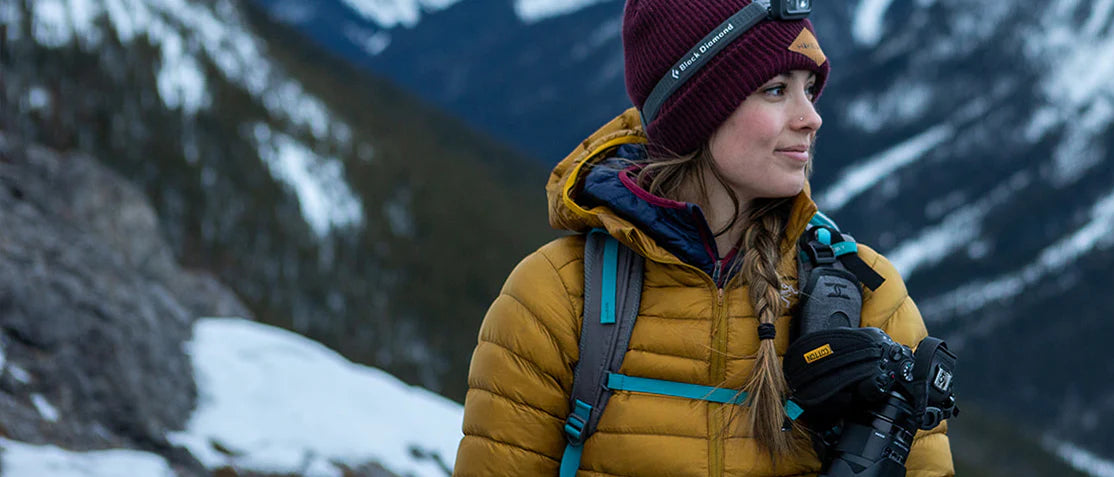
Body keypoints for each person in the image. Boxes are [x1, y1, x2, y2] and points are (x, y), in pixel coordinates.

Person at [453, 0, 953, 475]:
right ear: (697, 110)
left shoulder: (869, 295)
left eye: (809, 89)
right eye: (776, 89)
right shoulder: (555, 300)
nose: (811, 117)